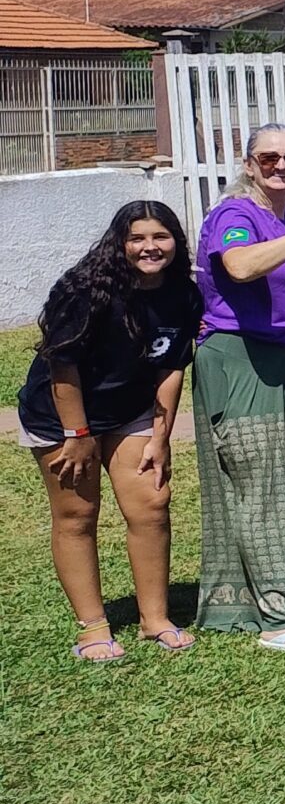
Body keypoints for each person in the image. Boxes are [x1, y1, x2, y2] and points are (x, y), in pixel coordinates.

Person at [23, 201, 199, 661]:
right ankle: (93, 626)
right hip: (63, 413)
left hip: (132, 411)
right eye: (137, 238)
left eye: (160, 237)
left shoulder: (182, 291)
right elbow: (63, 365)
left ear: (176, 242)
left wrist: (161, 436)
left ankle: (154, 618)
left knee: (152, 505)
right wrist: (77, 435)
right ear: (118, 243)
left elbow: (172, 367)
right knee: (78, 516)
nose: (149, 247)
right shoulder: (84, 290)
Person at [193, 123, 285, 652]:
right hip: (243, 358)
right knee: (261, 482)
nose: (281, 166)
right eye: (269, 157)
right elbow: (239, 266)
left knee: (280, 479)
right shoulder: (235, 215)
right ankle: (281, 616)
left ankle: (249, 605)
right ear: (248, 160)